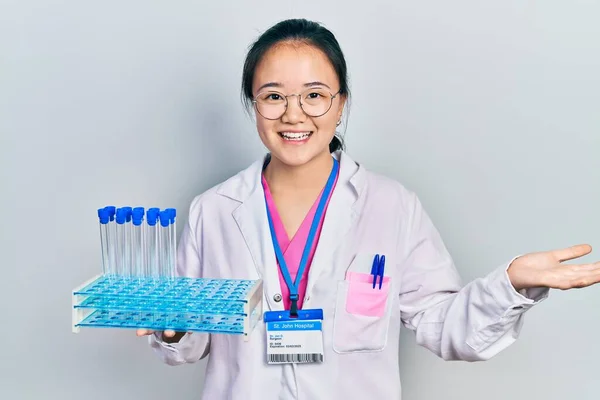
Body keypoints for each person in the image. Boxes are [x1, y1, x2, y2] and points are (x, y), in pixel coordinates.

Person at [137, 18, 599, 399]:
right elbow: (187, 344)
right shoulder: (213, 211)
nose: (294, 114)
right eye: (273, 96)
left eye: (315, 95)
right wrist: (173, 331)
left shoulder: (392, 206)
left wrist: (511, 283)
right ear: (254, 106)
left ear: (341, 106)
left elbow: (445, 327)